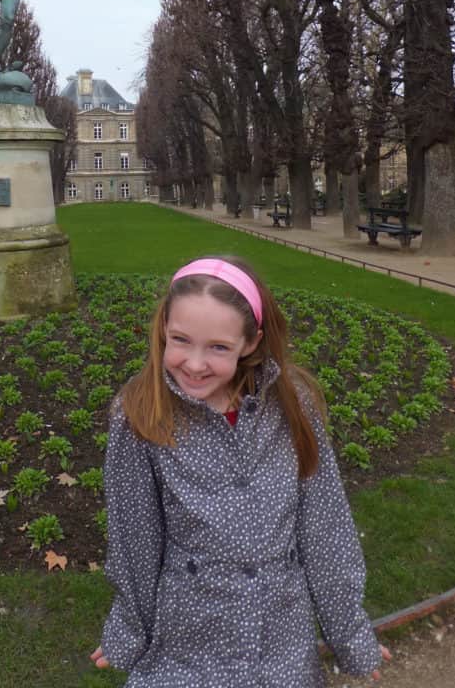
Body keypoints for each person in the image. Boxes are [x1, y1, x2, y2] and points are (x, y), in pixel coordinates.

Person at [90, 256, 392, 687]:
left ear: (250, 343)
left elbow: (325, 529)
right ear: (163, 331)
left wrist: (349, 633)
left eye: (218, 347)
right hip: (187, 638)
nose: (194, 364)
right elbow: (134, 538)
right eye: (181, 340)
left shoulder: (292, 405)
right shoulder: (140, 414)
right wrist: (130, 628)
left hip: (281, 638)